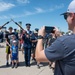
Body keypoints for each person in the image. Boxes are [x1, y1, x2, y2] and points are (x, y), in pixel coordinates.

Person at [35, 0, 75, 75]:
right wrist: (59, 36)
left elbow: (38, 57)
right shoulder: (64, 41)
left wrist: (40, 36)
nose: (66, 20)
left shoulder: (64, 42)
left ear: (72, 16)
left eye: (66, 16)